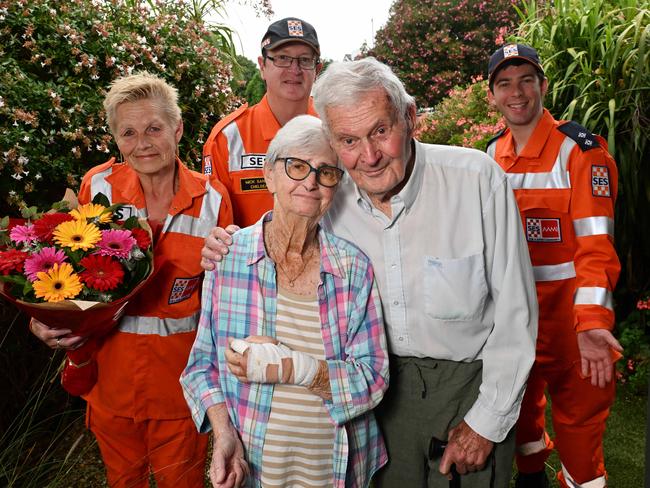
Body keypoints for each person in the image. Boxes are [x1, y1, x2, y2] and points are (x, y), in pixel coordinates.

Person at [201, 58, 538, 487]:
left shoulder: (476, 181)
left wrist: (485, 424)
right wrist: (225, 242)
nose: (370, 156)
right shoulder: (330, 196)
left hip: (467, 390)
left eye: (381, 130)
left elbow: (516, 314)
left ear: (410, 118)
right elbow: (282, 228)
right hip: (374, 404)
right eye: (348, 140)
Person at [29, 72, 233, 488]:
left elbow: (227, 301)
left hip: (181, 391)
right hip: (111, 385)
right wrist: (48, 319)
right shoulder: (97, 184)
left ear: (177, 128)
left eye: (154, 128)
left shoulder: (214, 200)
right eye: (128, 133)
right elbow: (69, 273)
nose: (142, 143)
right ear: (116, 139)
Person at [181, 114, 389, 488]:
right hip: (257, 467)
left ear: (336, 186)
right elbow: (201, 367)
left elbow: (373, 378)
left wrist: (293, 366)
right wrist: (224, 432)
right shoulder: (227, 257)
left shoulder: (353, 268)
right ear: (269, 175)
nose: (310, 181)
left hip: (336, 466)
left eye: (326, 172)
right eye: (296, 166)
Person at [485, 43, 621, 488]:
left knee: (580, 435)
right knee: (519, 420)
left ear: (543, 86)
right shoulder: (489, 157)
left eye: (526, 80)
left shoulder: (580, 152)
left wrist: (592, 324)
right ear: (492, 96)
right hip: (513, 322)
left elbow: (596, 247)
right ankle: (530, 478)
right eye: (504, 83)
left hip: (571, 327)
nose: (516, 92)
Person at [203, 17, 322, 227]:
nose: (294, 70)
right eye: (282, 58)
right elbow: (212, 228)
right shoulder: (227, 138)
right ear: (262, 66)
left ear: (317, 69)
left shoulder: (334, 129)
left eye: (304, 60)